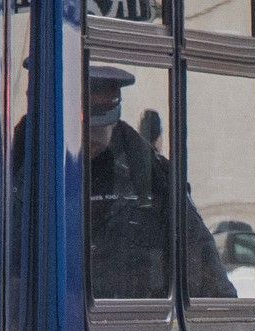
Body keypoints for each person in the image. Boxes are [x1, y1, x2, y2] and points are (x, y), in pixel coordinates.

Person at [87, 65, 236, 299]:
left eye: (96, 130)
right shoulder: (14, 175)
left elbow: (215, 296)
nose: (87, 142)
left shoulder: (156, 184)